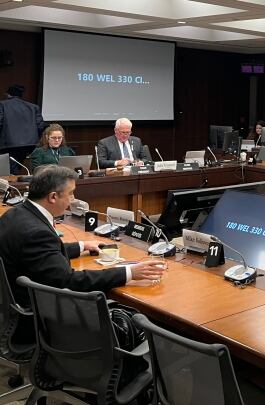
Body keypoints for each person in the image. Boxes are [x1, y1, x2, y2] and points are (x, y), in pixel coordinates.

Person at [0, 165, 165, 309]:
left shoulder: (16, 213)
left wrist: (80, 246)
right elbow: (69, 281)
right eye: (70, 194)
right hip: (38, 316)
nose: (73, 200)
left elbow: (41, 255)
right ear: (53, 197)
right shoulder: (37, 233)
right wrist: (129, 272)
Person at [0, 84, 45, 174]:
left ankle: (12, 185)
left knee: (9, 169)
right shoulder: (33, 107)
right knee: (15, 166)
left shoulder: (2, 105)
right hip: (29, 145)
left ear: (8, 95)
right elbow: (40, 126)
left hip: (8, 144)